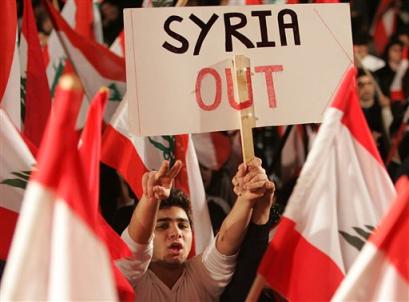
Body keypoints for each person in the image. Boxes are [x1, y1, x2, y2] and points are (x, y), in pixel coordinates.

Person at [117, 158, 275, 301]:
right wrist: (151, 198)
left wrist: (247, 197)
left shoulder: (202, 275)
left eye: (183, 225)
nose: (176, 233)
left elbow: (224, 240)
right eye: (163, 225)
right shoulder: (131, 278)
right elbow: (137, 245)